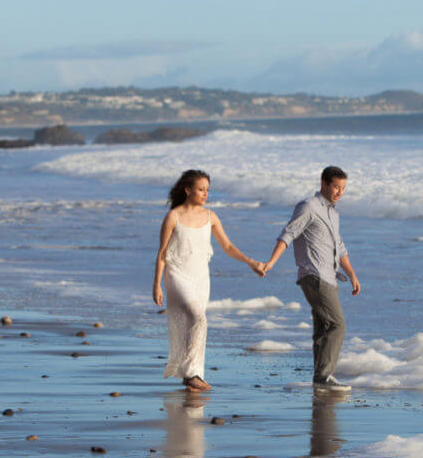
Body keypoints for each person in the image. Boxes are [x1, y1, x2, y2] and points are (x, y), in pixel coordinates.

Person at [153, 169, 264, 391]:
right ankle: (192, 374)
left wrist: (251, 262)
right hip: (177, 274)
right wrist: (156, 284)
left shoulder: (210, 216)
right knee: (198, 318)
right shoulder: (173, 216)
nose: (205, 194)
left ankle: (192, 374)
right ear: (187, 190)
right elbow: (163, 253)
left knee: (195, 323)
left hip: (200, 276)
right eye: (201, 189)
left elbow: (228, 247)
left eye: (207, 190)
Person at [261, 166, 360, 391]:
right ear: (323, 184)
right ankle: (324, 376)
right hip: (313, 275)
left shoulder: (333, 213)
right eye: (336, 187)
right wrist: (271, 262)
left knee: (323, 327)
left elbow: (340, 247)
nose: (339, 192)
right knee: (337, 324)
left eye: (343, 188)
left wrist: (352, 274)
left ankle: (320, 378)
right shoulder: (308, 206)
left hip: (329, 277)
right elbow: (289, 233)